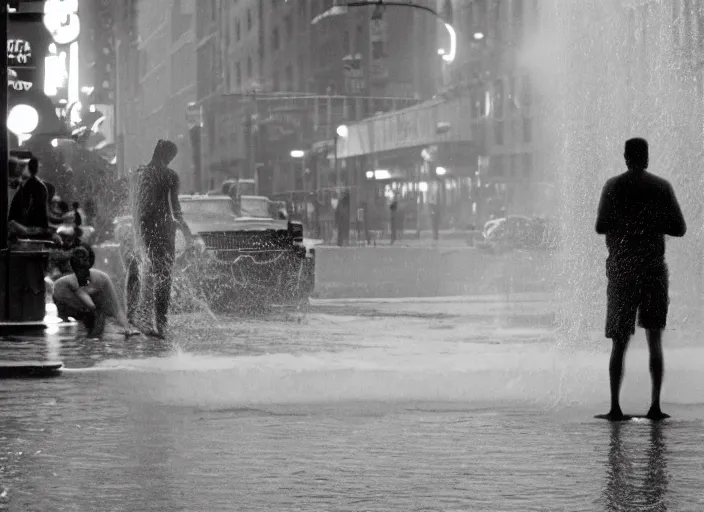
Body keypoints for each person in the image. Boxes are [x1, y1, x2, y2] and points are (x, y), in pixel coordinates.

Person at [595, 137, 686, 421]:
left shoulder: (613, 187)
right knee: (654, 338)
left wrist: (626, 225)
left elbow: (600, 226)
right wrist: (650, 223)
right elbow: (679, 228)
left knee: (619, 342)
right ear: (645, 157)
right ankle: (655, 407)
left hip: (622, 271)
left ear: (625, 157)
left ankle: (615, 407)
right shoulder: (661, 187)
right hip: (652, 270)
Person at [130, 139, 192, 338]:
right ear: (167, 154)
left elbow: (137, 205)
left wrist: (138, 229)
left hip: (146, 227)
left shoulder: (139, 173)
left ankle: (138, 317)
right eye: (172, 156)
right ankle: (160, 323)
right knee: (164, 275)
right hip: (164, 228)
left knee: (146, 271)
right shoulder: (169, 175)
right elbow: (175, 207)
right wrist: (186, 230)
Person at [53, 246, 137, 339]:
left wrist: (126, 328)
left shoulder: (102, 280)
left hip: (95, 302)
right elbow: (87, 306)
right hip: (82, 306)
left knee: (97, 323)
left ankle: (95, 336)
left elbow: (115, 309)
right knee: (93, 319)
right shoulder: (65, 284)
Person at [8, 157, 50, 237]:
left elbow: (36, 215)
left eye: (23, 166)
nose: (18, 168)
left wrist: (18, 226)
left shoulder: (38, 187)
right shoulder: (22, 186)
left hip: (31, 233)